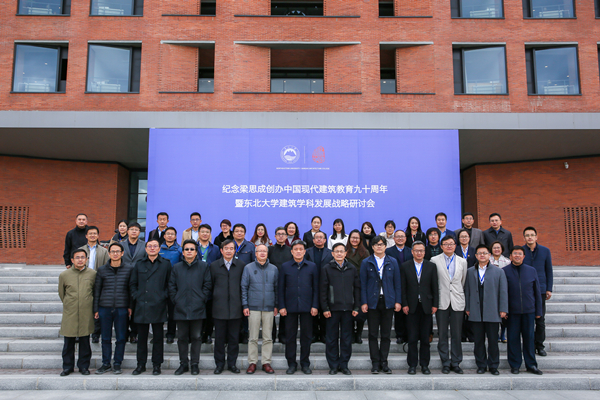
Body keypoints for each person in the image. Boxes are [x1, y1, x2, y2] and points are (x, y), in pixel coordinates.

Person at [169, 239, 212, 375]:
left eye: (192, 249)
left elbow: (207, 285)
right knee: (182, 337)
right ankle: (183, 364)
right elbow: (171, 286)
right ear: (182, 252)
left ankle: (194, 364)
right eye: (186, 249)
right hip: (180, 307)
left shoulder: (203, 267)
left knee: (196, 337)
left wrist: (202, 299)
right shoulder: (176, 267)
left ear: (196, 252)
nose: (189, 251)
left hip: (197, 307)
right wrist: (176, 299)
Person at [464, 244, 508, 375]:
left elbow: (503, 291)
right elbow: (467, 290)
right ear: (476, 256)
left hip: (493, 311)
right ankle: (481, 365)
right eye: (479, 253)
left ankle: (493, 365)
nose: (482, 255)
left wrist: (503, 309)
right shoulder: (470, 271)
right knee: (478, 341)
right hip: (476, 310)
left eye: (484, 253)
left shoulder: (499, 272)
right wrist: (468, 307)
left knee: (493, 340)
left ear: (489, 255)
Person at [360, 235, 402, 374]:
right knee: (372, 334)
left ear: (385, 246)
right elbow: (363, 284)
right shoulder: (366, 262)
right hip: (372, 302)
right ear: (372, 247)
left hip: (388, 301)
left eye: (381, 244)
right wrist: (364, 302)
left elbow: (397, 283)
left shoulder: (392, 261)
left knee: (386, 334)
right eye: (376, 244)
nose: (379, 247)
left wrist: (397, 301)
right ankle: (375, 363)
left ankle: (384, 362)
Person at [130, 239, 172, 376]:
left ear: (159, 248)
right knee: (141, 338)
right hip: (142, 304)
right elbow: (133, 283)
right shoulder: (139, 264)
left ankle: (156, 365)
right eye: (149, 246)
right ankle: (140, 364)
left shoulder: (165, 264)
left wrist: (163, 296)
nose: (152, 248)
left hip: (158, 304)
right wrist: (137, 296)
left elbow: (170, 283)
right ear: (146, 248)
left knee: (158, 338)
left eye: (155, 246)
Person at [279, 240, 319, 375]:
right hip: (289, 307)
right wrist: (282, 306)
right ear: (291, 251)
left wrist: (315, 305)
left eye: (301, 249)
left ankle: (305, 363)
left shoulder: (312, 266)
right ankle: (291, 364)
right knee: (290, 337)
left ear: (304, 251)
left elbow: (316, 288)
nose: (298, 251)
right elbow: (280, 288)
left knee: (306, 337)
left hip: (307, 307)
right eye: (295, 249)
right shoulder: (285, 267)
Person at [320, 243, 361, 375]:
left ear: (345, 253)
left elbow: (357, 289)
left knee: (346, 339)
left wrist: (356, 306)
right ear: (332, 253)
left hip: (348, 309)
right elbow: (323, 290)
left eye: (341, 251)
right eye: (336, 251)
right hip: (332, 310)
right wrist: (325, 308)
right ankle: (333, 365)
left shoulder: (352, 268)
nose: (339, 253)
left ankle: (344, 365)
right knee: (331, 339)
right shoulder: (327, 268)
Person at [93, 242, 133, 375]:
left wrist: (130, 306)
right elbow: (97, 290)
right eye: (112, 251)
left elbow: (131, 290)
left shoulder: (129, 269)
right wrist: (96, 309)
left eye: (118, 251)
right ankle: (105, 363)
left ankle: (117, 363)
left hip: (122, 307)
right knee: (105, 337)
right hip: (105, 307)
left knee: (121, 337)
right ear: (109, 253)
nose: (115, 254)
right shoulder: (102, 270)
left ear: (122, 253)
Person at [401, 241, 439, 375]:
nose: (419, 253)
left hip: (426, 306)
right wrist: (404, 304)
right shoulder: (405, 266)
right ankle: (412, 365)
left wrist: (435, 304)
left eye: (421, 250)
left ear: (424, 252)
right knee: (412, 338)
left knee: (425, 338)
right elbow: (403, 288)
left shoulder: (431, 266)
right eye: (416, 250)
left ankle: (424, 365)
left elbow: (435, 287)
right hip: (411, 306)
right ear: (412, 252)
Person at [504, 246, 543, 375]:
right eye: (515, 253)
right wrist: (504, 310)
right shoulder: (504, 271)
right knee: (513, 339)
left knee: (529, 339)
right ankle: (515, 365)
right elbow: (502, 293)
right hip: (512, 312)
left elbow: (537, 292)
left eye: (520, 254)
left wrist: (538, 311)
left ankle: (531, 364)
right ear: (510, 256)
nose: (517, 256)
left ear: (524, 256)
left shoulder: (531, 271)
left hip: (529, 311)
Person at [431, 236, 467, 374]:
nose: (449, 246)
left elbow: (463, 281)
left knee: (457, 334)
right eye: (446, 244)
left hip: (457, 300)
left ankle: (456, 362)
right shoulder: (434, 260)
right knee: (443, 333)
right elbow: (434, 281)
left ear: (455, 245)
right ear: (441, 246)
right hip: (442, 300)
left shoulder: (462, 261)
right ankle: (445, 362)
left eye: (451, 244)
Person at [242, 243, 279, 374]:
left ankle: (266, 362)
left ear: (267, 254)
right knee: (253, 337)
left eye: (264, 251)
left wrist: (276, 305)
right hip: (253, 307)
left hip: (269, 307)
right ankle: (252, 362)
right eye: (259, 251)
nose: (262, 253)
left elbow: (277, 288)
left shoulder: (274, 269)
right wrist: (245, 305)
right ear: (255, 253)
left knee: (267, 337)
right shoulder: (248, 268)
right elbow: (244, 287)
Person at [58, 248, 96, 376]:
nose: (80, 260)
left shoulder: (92, 274)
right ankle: (67, 367)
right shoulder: (64, 275)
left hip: (86, 312)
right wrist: (70, 303)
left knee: (85, 341)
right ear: (72, 260)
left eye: (82, 257)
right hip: (71, 312)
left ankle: (84, 366)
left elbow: (94, 292)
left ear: (86, 259)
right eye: (77, 257)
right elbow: (62, 294)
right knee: (68, 342)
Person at [211, 240, 245, 374]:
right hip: (219, 308)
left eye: (231, 248)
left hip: (236, 308)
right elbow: (211, 285)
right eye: (226, 248)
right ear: (221, 250)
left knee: (234, 339)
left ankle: (232, 364)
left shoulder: (241, 265)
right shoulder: (214, 266)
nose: (229, 251)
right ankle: (219, 364)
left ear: (235, 250)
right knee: (219, 339)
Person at [523, 226, 553, 357]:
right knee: (527, 320)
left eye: (532, 235)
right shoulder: (521, 251)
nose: (529, 237)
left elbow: (549, 270)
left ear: (536, 237)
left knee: (540, 320)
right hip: (525, 291)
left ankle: (540, 345)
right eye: (527, 235)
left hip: (540, 289)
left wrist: (549, 288)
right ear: (524, 238)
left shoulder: (545, 251)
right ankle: (529, 345)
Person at [385, 229, 413, 345]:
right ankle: (400, 335)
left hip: (409, 284)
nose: (400, 238)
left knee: (409, 310)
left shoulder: (411, 251)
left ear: (405, 239)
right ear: (394, 238)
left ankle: (409, 334)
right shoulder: (388, 251)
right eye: (398, 236)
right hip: (394, 283)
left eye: (402, 236)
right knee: (398, 311)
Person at [305, 230, 333, 343]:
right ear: (313, 240)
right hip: (310, 284)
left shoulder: (330, 253)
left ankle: (324, 334)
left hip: (326, 285)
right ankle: (314, 334)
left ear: (325, 240)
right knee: (312, 311)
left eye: (321, 237)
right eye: (317, 237)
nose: (319, 239)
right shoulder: (307, 252)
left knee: (324, 310)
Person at [121, 222, 145, 343]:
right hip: (123, 278)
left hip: (139, 280)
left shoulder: (144, 245)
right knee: (124, 307)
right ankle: (124, 332)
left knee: (136, 307)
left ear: (139, 232)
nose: (134, 231)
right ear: (127, 231)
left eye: (136, 229)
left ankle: (134, 333)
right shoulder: (121, 245)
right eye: (132, 229)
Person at [268, 226, 293, 344]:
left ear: (286, 236)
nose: (281, 236)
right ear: (275, 236)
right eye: (279, 234)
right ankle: (271, 335)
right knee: (271, 312)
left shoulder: (290, 250)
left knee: (284, 311)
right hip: (271, 284)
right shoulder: (270, 250)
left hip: (287, 284)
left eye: (283, 234)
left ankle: (283, 335)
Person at [198, 223, 221, 344]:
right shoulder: (193, 247)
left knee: (209, 311)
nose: (205, 234)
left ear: (210, 234)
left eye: (207, 232)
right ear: (199, 233)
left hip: (211, 281)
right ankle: (197, 334)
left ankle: (207, 334)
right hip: (196, 282)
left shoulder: (215, 248)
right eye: (202, 232)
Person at [345, 230, 369, 344]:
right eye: (353, 237)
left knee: (360, 312)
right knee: (349, 311)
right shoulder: (345, 251)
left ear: (360, 240)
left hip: (360, 284)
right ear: (349, 239)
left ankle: (358, 334)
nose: (355, 240)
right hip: (347, 284)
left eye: (357, 238)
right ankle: (350, 334)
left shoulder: (365, 252)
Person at [158, 227, 181, 345]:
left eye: (172, 234)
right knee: (159, 310)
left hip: (174, 284)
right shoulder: (158, 249)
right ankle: (157, 334)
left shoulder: (179, 250)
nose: (170, 236)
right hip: (160, 283)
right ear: (164, 236)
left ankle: (171, 334)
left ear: (176, 236)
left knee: (172, 311)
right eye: (168, 234)